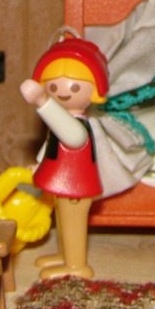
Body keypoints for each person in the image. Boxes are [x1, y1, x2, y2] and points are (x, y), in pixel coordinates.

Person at [21, 37, 109, 279]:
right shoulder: (60, 122)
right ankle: (66, 256)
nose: (63, 93)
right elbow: (53, 145)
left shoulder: (77, 125)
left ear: (95, 90)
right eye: (53, 87)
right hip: (63, 184)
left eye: (75, 87)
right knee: (62, 220)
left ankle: (76, 266)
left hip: (76, 188)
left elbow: (71, 137)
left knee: (73, 224)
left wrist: (42, 101)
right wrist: (40, 165)